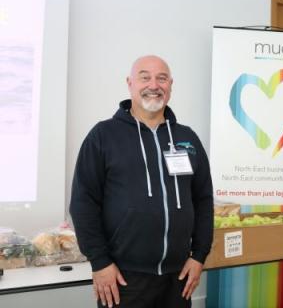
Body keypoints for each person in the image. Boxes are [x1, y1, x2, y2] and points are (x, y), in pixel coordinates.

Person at [70, 55, 213, 308]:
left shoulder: (186, 137)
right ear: (130, 83)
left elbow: (203, 200)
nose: (154, 85)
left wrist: (199, 255)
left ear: (170, 85)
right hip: (123, 279)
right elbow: (84, 203)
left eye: (162, 78)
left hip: (178, 278)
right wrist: (100, 262)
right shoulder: (103, 136)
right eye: (145, 77)